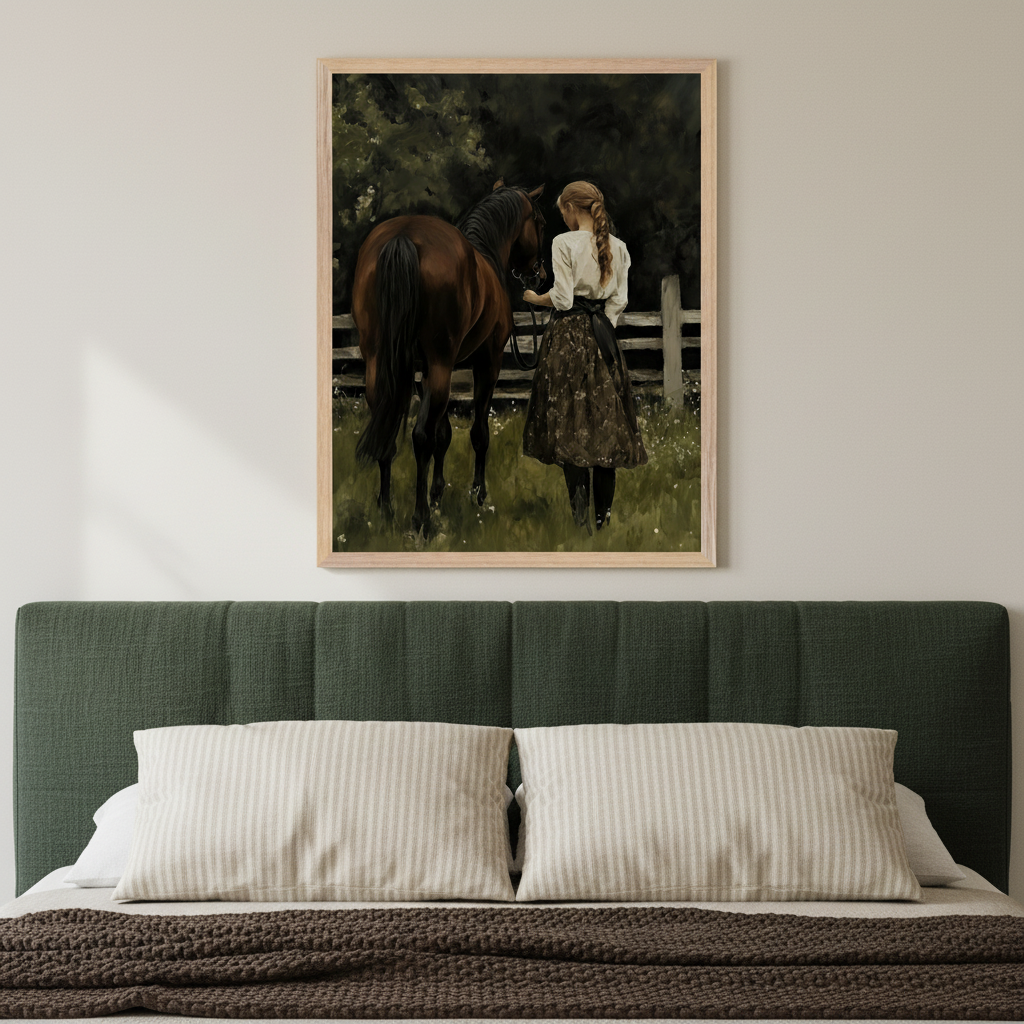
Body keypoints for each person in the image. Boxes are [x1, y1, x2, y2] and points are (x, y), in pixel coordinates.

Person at [521, 181, 647, 532]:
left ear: (572, 209)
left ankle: (581, 524)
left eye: (562, 211)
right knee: (604, 425)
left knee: (570, 427)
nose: (562, 218)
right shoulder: (618, 247)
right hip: (603, 337)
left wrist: (534, 298)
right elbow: (618, 301)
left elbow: (562, 298)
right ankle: (602, 522)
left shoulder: (564, 243)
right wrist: (604, 325)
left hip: (568, 339)